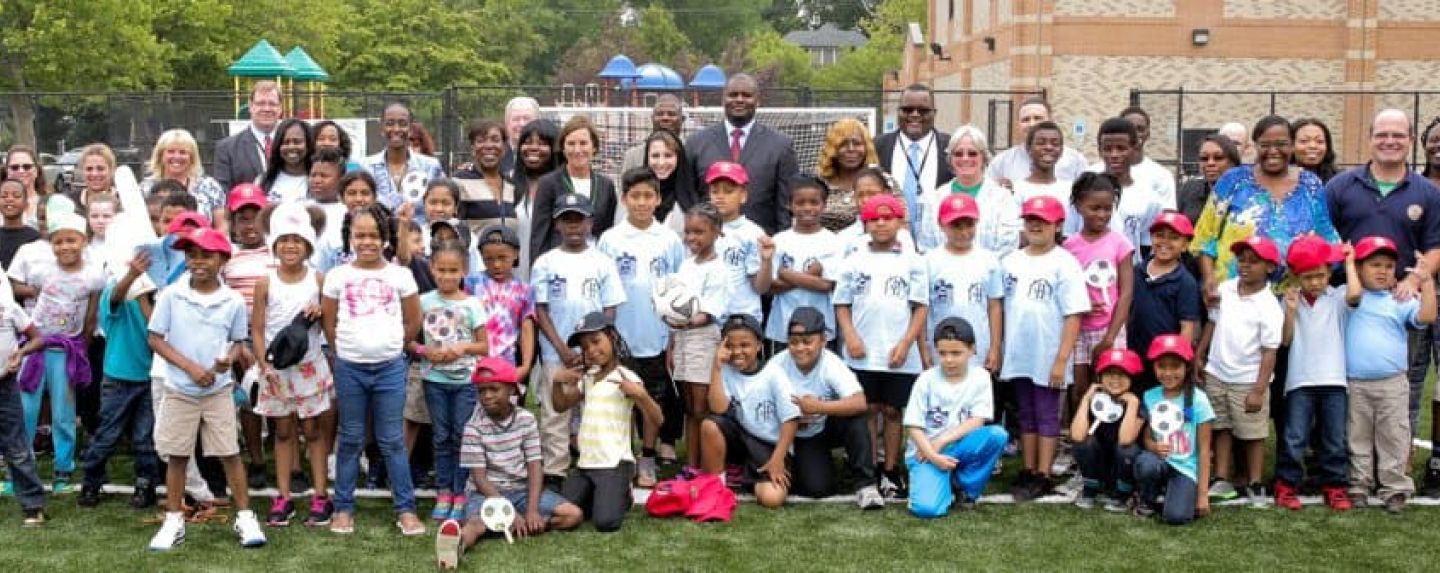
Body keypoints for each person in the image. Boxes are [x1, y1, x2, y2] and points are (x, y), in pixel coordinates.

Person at [1330, 111, 1440, 467]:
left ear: (1410, 140)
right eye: (1382, 134)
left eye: (1398, 134)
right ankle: (1348, 462)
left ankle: (1398, 460)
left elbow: (1435, 246)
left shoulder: (1426, 192)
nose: (1389, 141)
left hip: (1400, 304)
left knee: (1403, 384)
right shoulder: (1342, 186)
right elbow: (1325, 238)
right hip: (1351, 306)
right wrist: (1349, 280)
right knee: (1348, 385)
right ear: (1370, 138)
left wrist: (1413, 281)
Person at [145, 227, 265, 550]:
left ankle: (245, 517)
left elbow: (239, 342)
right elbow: (155, 338)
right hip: (179, 389)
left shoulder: (233, 301)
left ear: (222, 259)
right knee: (177, 456)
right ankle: (174, 520)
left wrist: (229, 359)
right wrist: (190, 368)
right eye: (191, 255)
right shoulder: (171, 294)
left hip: (218, 391)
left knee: (229, 453)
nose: (197, 262)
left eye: (205, 255)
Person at [320, 203, 425, 535]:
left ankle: (406, 509)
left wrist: (395, 346)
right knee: (349, 438)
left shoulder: (399, 275)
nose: (366, 242)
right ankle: (343, 508)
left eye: (374, 235)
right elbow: (329, 321)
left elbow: (413, 320)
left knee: (392, 439)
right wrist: (344, 352)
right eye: (359, 235)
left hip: (390, 368)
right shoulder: (339, 275)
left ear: (386, 238)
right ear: (350, 237)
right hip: (350, 368)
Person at [434, 357, 582, 570]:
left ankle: (519, 525)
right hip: (486, 494)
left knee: (573, 515)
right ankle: (454, 547)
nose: (486, 396)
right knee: (474, 526)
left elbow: (534, 467)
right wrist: (509, 513)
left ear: (511, 390)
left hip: (521, 490)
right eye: (481, 390)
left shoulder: (527, 420)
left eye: (494, 389)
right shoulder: (473, 427)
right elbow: (480, 478)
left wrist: (531, 512)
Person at [835, 194, 928, 499]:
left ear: (901, 221)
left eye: (888, 218)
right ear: (865, 224)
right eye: (875, 218)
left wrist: (905, 343)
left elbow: (920, 307)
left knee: (892, 411)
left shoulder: (913, 261)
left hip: (899, 353)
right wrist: (850, 335)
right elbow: (843, 304)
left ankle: (891, 468)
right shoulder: (853, 260)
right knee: (868, 409)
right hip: (863, 350)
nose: (882, 223)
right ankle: (869, 467)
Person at [596, 168, 684, 487]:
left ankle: (647, 456)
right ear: (624, 199)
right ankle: (624, 455)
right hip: (620, 336)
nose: (642, 202)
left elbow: (677, 291)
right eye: (636, 196)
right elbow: (604, 290)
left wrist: (673, 338)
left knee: (651, 399)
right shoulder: (610, 240)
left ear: (658, 199)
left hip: (656, 336)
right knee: (620, 397)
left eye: (649, 196)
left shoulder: (670, 240)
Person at [529, 192, 624, 485]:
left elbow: (609, 310)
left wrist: (594, 350)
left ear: (590, 222)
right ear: (557, 225)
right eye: (566, 220)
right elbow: (541, 310)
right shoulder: (545, 262)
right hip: (556, 353)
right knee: (555, 414)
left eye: (579, 220)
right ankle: (555, 470)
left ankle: (591, 467)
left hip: (592, 355)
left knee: (592, 410)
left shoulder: (603, 262)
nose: (573, 227)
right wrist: (561, 347)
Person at [249, 203, 334, 526]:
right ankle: (283, 496)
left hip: (309, 366)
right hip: (276, 370)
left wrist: (320, 314)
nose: (290, 246)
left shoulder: (319, 279)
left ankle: (320, 494)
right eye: (283, 240)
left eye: (297, 240)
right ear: (274, 245)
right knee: (283, 432)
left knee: (313, 431)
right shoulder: (265, 282)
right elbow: (257, 329)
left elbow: (328, 325)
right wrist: (262, 364)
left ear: (308, 245)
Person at [1193, 115, 1340, 301]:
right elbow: (1205, 237)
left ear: (1292, 146)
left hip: (1292, 299)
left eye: (1281, 143)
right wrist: (1208, 279)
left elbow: (1326, 237)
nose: (1273, 151)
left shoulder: (1310, 184)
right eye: (1265, 145)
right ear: (1255, 146)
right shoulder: (1234, 180)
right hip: (1235, 295)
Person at [9, 209, 104, 494]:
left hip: (66, 350)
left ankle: (64, 467)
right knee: (26, 410)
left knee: (64, 412)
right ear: (51, 245)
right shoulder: (41, 272)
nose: (65, 247)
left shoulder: (93, 276)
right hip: (35, 349)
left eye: (71, 240)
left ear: (84, 241)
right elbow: (33, 302)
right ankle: (21, 469)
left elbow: (90, 314)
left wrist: (83, 346)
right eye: (58, 241)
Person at [1002, 195, 1089, 502]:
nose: (1035, 226)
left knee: (1047, 413)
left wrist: (1061, 358)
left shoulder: (1065, 263)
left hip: (1048, 351)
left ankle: (1044, 472)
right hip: (1019, 351)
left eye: (1043, 220)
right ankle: (1028, 468)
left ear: (1058, 225)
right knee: (1025, 412)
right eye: (1030, 220)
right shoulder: (1011, 261)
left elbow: (1074, 313)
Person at [1345, 236, 1435, 513]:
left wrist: (1427, 281)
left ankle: (1394, 487)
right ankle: (1359, 484)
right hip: (1355, 383)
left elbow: (1427, 317)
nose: (1382, 270)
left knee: (1393, 436)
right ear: (1359, 269)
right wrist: (1349, 263)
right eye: (1374, 264)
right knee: (1356, 436)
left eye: (1388, 265)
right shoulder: (1349, 297)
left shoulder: (1399, 300)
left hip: (1392, 383)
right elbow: (1353, 294)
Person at [553, 312, 662, 531]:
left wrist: (641, 395)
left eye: (596, 341)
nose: (591, 350)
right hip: (585, 464)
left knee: (605, 522)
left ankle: (622, 494)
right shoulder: (588, 377)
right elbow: (560, 406)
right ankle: (600, 494)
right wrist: (557, 383)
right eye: (584, 347)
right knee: (559, 510)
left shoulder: (626, 377)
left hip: (614, 464)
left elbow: (658, 418)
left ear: (611, 337)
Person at [1195, 235, 1282, 507]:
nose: (1245, 266)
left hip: (1248, 379)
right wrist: (1200, 355)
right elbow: (1212, 322)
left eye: (1253, 262)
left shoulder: (1269, 305)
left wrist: (1258, 389)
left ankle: (1255, 481)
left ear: (1269, 267)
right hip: (1218, 372)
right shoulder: (1227, 289)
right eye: (1241, 260)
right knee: (1221, 426)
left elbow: (1270, 351)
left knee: (1252, 432)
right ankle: (1222, 477)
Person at [78, 249, 160, 509]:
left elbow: (156, 329)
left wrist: (144, 292)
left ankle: (145, 484)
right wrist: (131, 277)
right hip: (118, 378)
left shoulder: (152, 298)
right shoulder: (113, 292)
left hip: (148, 377)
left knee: (145, 438)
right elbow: (114, 298)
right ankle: (91, 481)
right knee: (107, 434)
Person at [1274, 235, 1351, 511]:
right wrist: (1291, 312)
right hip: (1300, 379)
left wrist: (1349, 260)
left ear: (1330, 272)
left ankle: (1335, 485)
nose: (1316, 282)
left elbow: (1355, 294)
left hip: (1334, 379)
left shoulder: (1338, 297)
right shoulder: (1289, 300)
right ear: (1296, 276)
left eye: (1320, 275)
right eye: (1308, 277)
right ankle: (1286, 484)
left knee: (1334, 438)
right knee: (1294, 436)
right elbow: (1285, 340)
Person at [774, 307, 879, 507]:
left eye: (807, 341)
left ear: (823, 341)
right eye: (794, 342)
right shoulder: (776, 366)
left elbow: (860, 402)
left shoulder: (831, 363)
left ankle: (866, 485)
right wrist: (790, 419)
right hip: (791, 435)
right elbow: (760, 407)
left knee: (856, 417)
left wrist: (819, 406)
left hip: (824, 427)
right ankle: (795, 464)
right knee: (818, 488)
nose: (800, 348)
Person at [903, 317, 1008, 517]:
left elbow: (978, 419)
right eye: (942, 353)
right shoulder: (926, 379)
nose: (948, 360)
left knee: (996, 435)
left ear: (972, 350)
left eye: (956, 353)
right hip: (925, 452)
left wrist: (942, 441)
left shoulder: (981, 377)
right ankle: (934, 479)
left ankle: (964, 487)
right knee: (927, 509)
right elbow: (913, 425)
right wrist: (933, 455)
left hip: (957, 446)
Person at [417, 240, 489, 523]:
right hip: (434, 380)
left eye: (453, 270)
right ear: (432, 269)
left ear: (464, 270)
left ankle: (461, 493)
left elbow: (484, 346)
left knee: (462, 436)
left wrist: (462, 348)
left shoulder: (473, 304)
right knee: (441, 437)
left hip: (465, 383)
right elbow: (409, 339)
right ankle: (443, 491)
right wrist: (426, 351)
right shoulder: (424, 302)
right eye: (441, 270)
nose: (447, 276)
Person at [701, 314, 800, 508]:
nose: (737, 351)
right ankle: (716, 487)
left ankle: (747, 475)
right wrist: (716, 367)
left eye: (745, 345)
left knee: (772, 499)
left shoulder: (774, 373)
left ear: (759, 346)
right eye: (730, 345)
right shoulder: (725, 370)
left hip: (768, 445)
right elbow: (718, 408)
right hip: (740, 438)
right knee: (710, 425)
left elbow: (791, 419)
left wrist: (778, 459)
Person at [687, 73, 800, 235]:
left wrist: (780, 246)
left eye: (746, 95)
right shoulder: (696, 143)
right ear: (723, 99)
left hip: (761, 246)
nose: (739, 100)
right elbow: (690, 198)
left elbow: (785, 206)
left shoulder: (781, 146)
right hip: (710, 244)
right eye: (733, 95)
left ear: (757, 101)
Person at [1062, 173, 1135, 419]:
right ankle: (1077, 438)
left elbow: (1126, 293)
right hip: (1078, 329)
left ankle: (1110, 438)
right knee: (1079, 387)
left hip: (1110, 328)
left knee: (1111, 384)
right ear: (1079, 205)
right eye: (1094, 208)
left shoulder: (1120, 243)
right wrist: (1082, 304)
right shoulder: (1069, 247)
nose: (1101, 215)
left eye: (1107, 208)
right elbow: (1066, 290)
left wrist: (1110, 337)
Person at [669, 203, 733, 470]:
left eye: (699, 232)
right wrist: (672, 339)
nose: (692, 238)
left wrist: (681, 322)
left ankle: (708, 466)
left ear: (716, 232)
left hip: (704, 338)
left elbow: (708, 313)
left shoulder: (719, 269)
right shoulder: (686, 265)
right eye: (688, 232)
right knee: (688, 407)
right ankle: (691, 464)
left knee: (701, 407)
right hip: (683, 339)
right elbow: (675, 303)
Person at [1134, 334, 1215, 524]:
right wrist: (1153, 447)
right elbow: (1146, 438)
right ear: (1153, 367)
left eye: (1175, 366)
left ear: (1186, 367)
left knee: (1176, 517)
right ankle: (1149, 496)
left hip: (1186, 468)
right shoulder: (1150, 396)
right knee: (1146, 463)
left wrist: (1202, 495)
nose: (1168, 373)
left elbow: (1204, 450)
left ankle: (1173, 495)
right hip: (1159, 462)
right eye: (1162, 366)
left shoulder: (1198, 399)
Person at [923, 193, 1002, 373]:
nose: (964, 232)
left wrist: (995, 347)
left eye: (969, 225)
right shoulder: (929, 261)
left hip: (977, 345)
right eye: (956, 226)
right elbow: (923, 308)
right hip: (941, 347)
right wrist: (924, 347)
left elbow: (994, 306)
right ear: (941, 225)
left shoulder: (988, 260)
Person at [916, 125, 1021, 256]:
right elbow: (926, 245)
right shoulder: (933, 199)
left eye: (972, 153)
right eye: (958, 154)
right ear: (950, 159)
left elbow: (1008, 247)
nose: (965, 158)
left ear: (984, 157)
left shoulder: (1003, 199)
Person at [1127, 211, 1201, 393]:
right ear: (1151, 237)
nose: (1165, 243)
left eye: (1174, 238)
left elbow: (1187, 327)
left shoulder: (1185, 282)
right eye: (1159, 236)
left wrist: (1179, 362)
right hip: (1135, 353)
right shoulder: (1137, 271)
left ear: (1185, 245)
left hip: (1165, 360)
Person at [1073, 118, 1164, 264]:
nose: (1114, 155)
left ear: (1134, 149)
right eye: (1107, 149)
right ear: (1099, 150)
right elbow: (1069, 236)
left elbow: (1147, 246)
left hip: (1129, 276)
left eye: (1121, 148)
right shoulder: (1083, 191)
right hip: (1086, 274)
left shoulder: (1149, 198)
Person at [765, 176, 839, 352]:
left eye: (814, 202)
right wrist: (810, 276)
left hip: (821, 326)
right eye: (800, 203)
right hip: (783, 326)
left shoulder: (833, 241)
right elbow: (770, 286)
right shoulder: (779, 240)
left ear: (824, 205)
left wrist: (786, 274)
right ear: (789, 205)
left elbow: (826, 285)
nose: (807, 208)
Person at [530, 116, 618, 259]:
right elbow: (539, 235)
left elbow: (608, 230)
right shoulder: (548, 183)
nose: (577, 150)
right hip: (559, 265)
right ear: (563, 148)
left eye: (583, 143)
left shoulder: (606, 185)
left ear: (594, 147)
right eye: (571, 143)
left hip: (596, 263)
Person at [465, 225, 536, 403]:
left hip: (507, 363)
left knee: (505, 410)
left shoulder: (524, 290)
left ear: (516, 254)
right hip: (474, 364)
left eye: (503, 258)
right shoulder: (472, 283)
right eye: (489, 259)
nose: (496, 264)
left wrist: (525, 366)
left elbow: (527, 329)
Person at [1070, 348, 1144, 512]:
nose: (1115, 379)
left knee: (1127, 449)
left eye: (1122, 374)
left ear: (1133, 378)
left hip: (1124, 466)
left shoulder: (1138, 402)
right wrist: (1086, 399)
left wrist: (1132, 405)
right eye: (1109, 373)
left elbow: (1125, 440)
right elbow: (1076, 435)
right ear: (1099, 377)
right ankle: (1091, 488)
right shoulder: (1095, 399)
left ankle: (1123, 494)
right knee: (1083, 443)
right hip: (1101, 464)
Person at [0, 271, 46, 526]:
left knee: (17, 448)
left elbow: (38, 339)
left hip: (5, 386)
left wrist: (21, 353)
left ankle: (32, 504)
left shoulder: (9, 308)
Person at [876, 85, 951, 238]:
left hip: (939, 241)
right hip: (890, 242)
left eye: (923, 110)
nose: (915, 115)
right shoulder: (877, 147)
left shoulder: (951, 148)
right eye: (907, 109)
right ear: (899, 112)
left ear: (934, 113)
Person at [707, 162, 773, 323]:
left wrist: (766, 261)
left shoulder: (752, 233)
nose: (720, 196)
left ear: (743, 195)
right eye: (715, 191)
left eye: (728, 191)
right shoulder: (701, 230)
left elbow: (760, 287)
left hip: (742, 320)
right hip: (708, 320)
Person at [987, 98, 1090, 185]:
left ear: (1051, 121)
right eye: (1025, 119)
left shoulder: (1074, 161)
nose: (1032, 124)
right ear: (1018, 125)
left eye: (1038, 118)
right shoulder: (1002, 162)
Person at [364, 102, 445, 212]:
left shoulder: (430, 167)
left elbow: (441, 203)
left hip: (420, 228)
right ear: (382, 128)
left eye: (402, 124)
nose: (396, 129)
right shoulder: (366, 167)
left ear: (410, 128)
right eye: (389, 123)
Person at [139, 130, 226, 228]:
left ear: (192, 157)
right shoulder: (145, 188)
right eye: (171, 151)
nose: (177, 156)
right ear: (161, 155)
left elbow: (222, 226)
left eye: (183, 152)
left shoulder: (209, 186)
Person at [452, 119, 519, 242]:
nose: (488, 146)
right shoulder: (460, 181)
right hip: (474, 259)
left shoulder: (512, 185)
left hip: (508, 259)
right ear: (473, 147)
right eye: (481, 141)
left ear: (504, 147)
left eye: (495, 140)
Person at [511, 119, 561, 281]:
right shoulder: (506, 185)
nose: (533, 148)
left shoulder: (565, 187)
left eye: (542, 143)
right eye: (527, 142)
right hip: (514, 283)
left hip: (552, 279)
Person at [214, 81, 282, 193]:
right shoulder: (227, 148)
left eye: (272, 104)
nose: (266, 108)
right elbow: (222, 195)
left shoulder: (292, 145)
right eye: (260, 103)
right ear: (250, 107)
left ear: (280, 108)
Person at [816, 118, 879, 232]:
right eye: (843, 144)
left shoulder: (883, 181)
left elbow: (901, 223)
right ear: (832, 149)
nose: (851, 149)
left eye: (857, 143)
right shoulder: (818, 183)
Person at [1119, 106, 1177, 213]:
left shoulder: (1162, 176)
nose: (1134, 134)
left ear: (1147, 134)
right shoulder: (1096, 172)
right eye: (1129, 129)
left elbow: (1167, 218)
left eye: (1140, 129)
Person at [1010, 120, 1078, 207]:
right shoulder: (1016, 190)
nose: (1048, 147)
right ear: (1028, 149)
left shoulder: (1071, 192)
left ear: (1061, 151)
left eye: (1055, 144)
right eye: (1041, 143)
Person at [1176, 134, 1240, 225]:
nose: (1210, 163)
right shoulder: (1188, 190)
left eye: (1218, 158)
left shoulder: (1249, 196)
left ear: (1233, 163)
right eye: (1204, 158)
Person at [641, 130, 695, 234]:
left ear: (679, 158)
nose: (661, 163)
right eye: (655, 156)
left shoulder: (691, 200)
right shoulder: (636, 196)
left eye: (668, 155)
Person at [620, 93, 686, 176]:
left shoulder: (691, 154)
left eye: (671, 114)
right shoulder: (633, 156)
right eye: (660, 114)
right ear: (652, 118)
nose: (665, 118)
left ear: (682, 119)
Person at [259, 118, 313, 205]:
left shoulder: (318, 181)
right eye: (285, 142)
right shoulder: (263, 181)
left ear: (309, 145)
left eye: (297, 142)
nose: (291, 146)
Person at [0, 179, 40, 277]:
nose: (9, 199)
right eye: (4, 196)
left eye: (16, 196)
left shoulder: (35, 238)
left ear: (26, 204)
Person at [3, 145, 50, 228]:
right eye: (15, 167)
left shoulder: (51, 204)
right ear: (7, 171)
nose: (21, 171)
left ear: (36, 170)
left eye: (27, 167)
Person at [68, 144, 118, 211]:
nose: (94, 174)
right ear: (82, 170)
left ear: (112, 170)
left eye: (100, 168)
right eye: (89, 169)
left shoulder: (125, 201)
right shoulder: (69, 202)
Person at [500, 96, 541, 177]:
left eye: (527, 119)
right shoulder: (496, 154)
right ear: (507, 123)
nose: (522, 124)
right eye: (516, 119)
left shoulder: (548, 155)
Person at [1292, 118, 1339, 183]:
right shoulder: (1278, 180)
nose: (1313, 146)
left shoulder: (1340, 180)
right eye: (1304, 141)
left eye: (1320, 141)